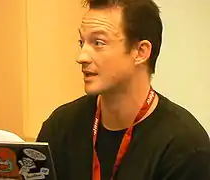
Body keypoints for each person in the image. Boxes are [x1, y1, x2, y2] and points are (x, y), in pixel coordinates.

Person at [37, 0, 210, 179]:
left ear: (140, 52)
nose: (82, 57)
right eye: (82, 42)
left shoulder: (185, 146)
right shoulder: (60, 127)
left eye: (98, 43)